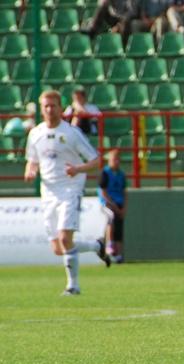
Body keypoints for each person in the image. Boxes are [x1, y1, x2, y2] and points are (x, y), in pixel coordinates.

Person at [24, 90, 112, 296]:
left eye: (53, 105)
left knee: (65, 239)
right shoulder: (35, 134)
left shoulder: (71, 133)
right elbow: (32, 160)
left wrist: (78, 170)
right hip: (48, 192)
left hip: (70, 190)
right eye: (45, 106)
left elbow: (96, 160)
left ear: (60, 108)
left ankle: (73, 286)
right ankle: (96, 246)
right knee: (58, 248)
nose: (49, 110)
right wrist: (30, 170)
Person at [98, 149, 127, 263]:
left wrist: (124, 207)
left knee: (119, 228)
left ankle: (119, 256)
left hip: (119, 204)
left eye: (118, 159)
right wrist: (113, 206)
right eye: (114, 159)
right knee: (111, 217)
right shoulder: (104, 173)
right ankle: (109, 244)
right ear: (109, 160)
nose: (116, 162)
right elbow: (103, 192)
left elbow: (124, 192)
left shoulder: (121, 174)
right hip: (107, 204)